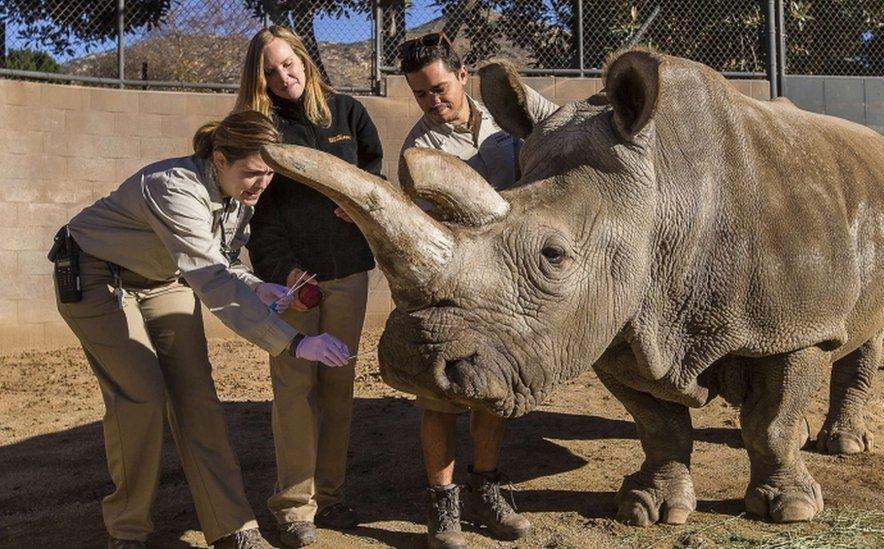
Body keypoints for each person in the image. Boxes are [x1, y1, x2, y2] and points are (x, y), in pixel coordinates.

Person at [53, 110, 351, 549]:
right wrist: (295, 343)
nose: (261, 184)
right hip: (97, 276)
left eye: (269, 174)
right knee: (142, 394)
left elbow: (224, 262)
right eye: (252, 173)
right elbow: (211, 279)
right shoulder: (172, 186)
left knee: (198, 399)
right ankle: (128, 530)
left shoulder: (238, 194)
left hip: (164, 281)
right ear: (218, 160)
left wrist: (258, 287)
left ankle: (233, 527)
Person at [399, 32, 556, 549]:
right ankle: (442, 506)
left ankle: (487, 490)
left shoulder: (507, 124)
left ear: (462, 75)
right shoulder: (419, 149)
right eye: (421, 94)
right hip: (453, 285)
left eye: (440, 88)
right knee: (440, 397)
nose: (432, 101)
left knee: (491, 390)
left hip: (508, 283)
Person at [233, 26, 383, 548]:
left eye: (288, 64)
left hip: (349, 275)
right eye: (270, 71)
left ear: (304, 59)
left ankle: (332, 495)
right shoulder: (262, 131)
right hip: (296, 281)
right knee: (295, 389)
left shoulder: (348, 113)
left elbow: (375, 171)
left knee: (338, 386)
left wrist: (362, 204)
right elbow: (261, 218)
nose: (283, 77)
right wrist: (286, 273)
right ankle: (295, 507)